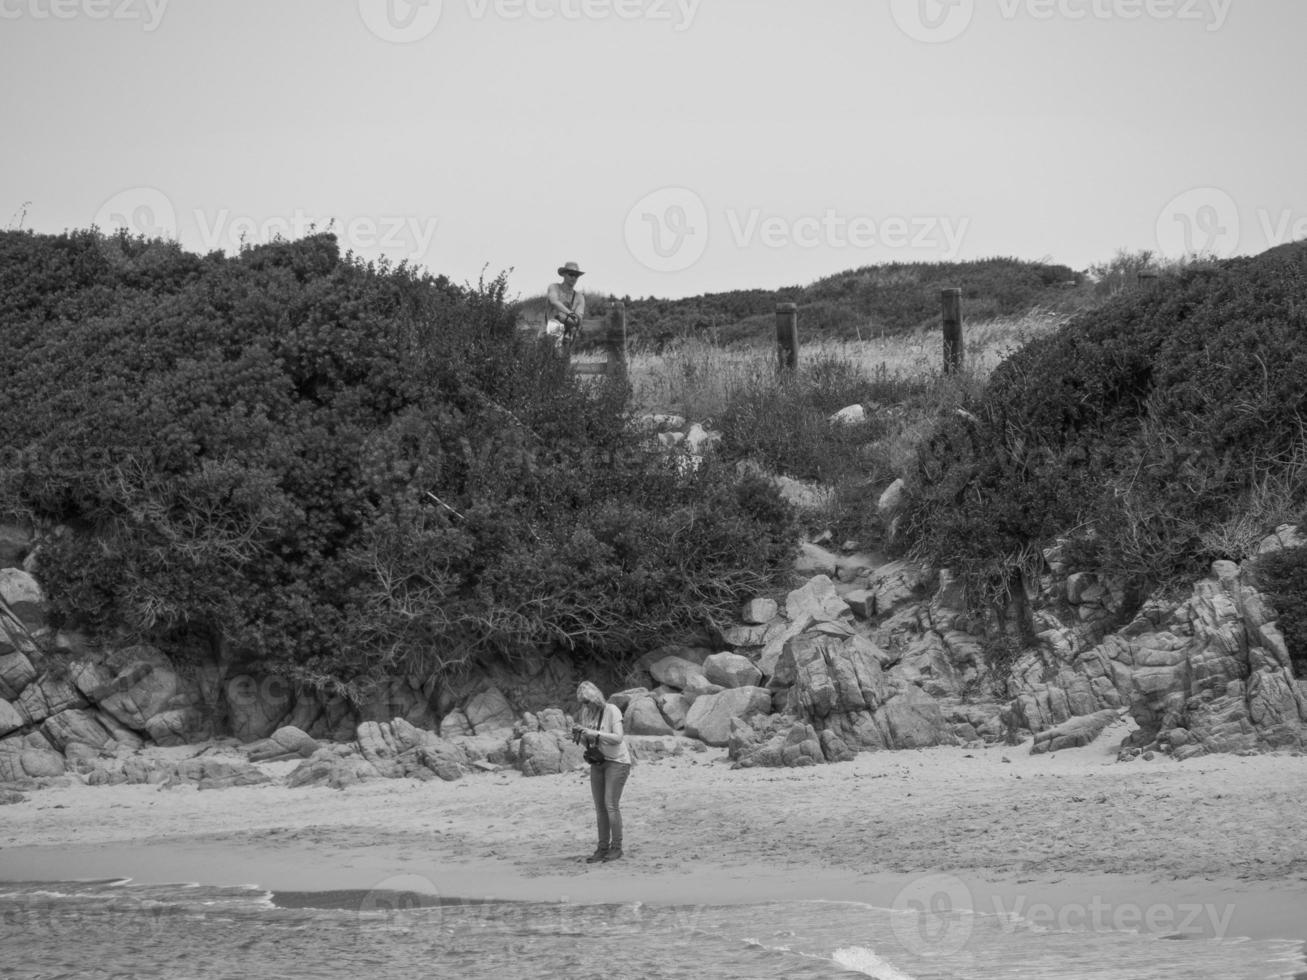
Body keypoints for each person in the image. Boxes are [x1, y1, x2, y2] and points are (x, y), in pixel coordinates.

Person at [573, 680, 631, 863]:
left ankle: (617, 847)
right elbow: (590, 743)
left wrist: (595, 733)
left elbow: (618, 738)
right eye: (583, 702)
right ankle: (602, 847)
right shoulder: (586, 712)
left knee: (610, 805)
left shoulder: (611, 710)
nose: (586, 705)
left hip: (617, 762)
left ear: (596, 698)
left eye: (588, 701)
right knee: (600, 808)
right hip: (598, 762)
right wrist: (580, 736)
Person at [545, 261, 586, 348]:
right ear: (564, 274)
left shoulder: (579, 297)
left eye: (576, 275)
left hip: (567, 339)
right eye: (571, 274)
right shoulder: (554, 287)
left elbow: (578, 318)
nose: (574, 278)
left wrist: (566, 318)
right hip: (547, 338)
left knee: (563, 358)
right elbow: (554, 301)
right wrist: (570, 314)